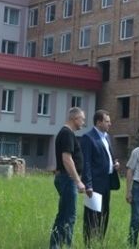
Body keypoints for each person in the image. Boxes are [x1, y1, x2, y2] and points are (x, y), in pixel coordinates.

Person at [80, 109, 120, 246]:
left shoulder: (107, 137)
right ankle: (88, 244)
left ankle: (99, 242)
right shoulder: (88, 138)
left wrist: (114, 164)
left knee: (104, 213)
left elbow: (107, 156)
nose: (110, 124)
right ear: (98, 122)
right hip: (95, 184)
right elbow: (86, 163)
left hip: (107, 182)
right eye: (107, 121)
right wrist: (88, 184)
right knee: (92, 215)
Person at [49, 107, 87, 249]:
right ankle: (62, 245)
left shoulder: (67, 133)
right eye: (82, 119)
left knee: (64, 214)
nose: (83, 122)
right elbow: (67, 158)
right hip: (68, 179)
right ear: (74, 118)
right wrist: (78, 181)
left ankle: (57, 245)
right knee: (68, 215)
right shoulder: (67, 133)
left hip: (66, 178)